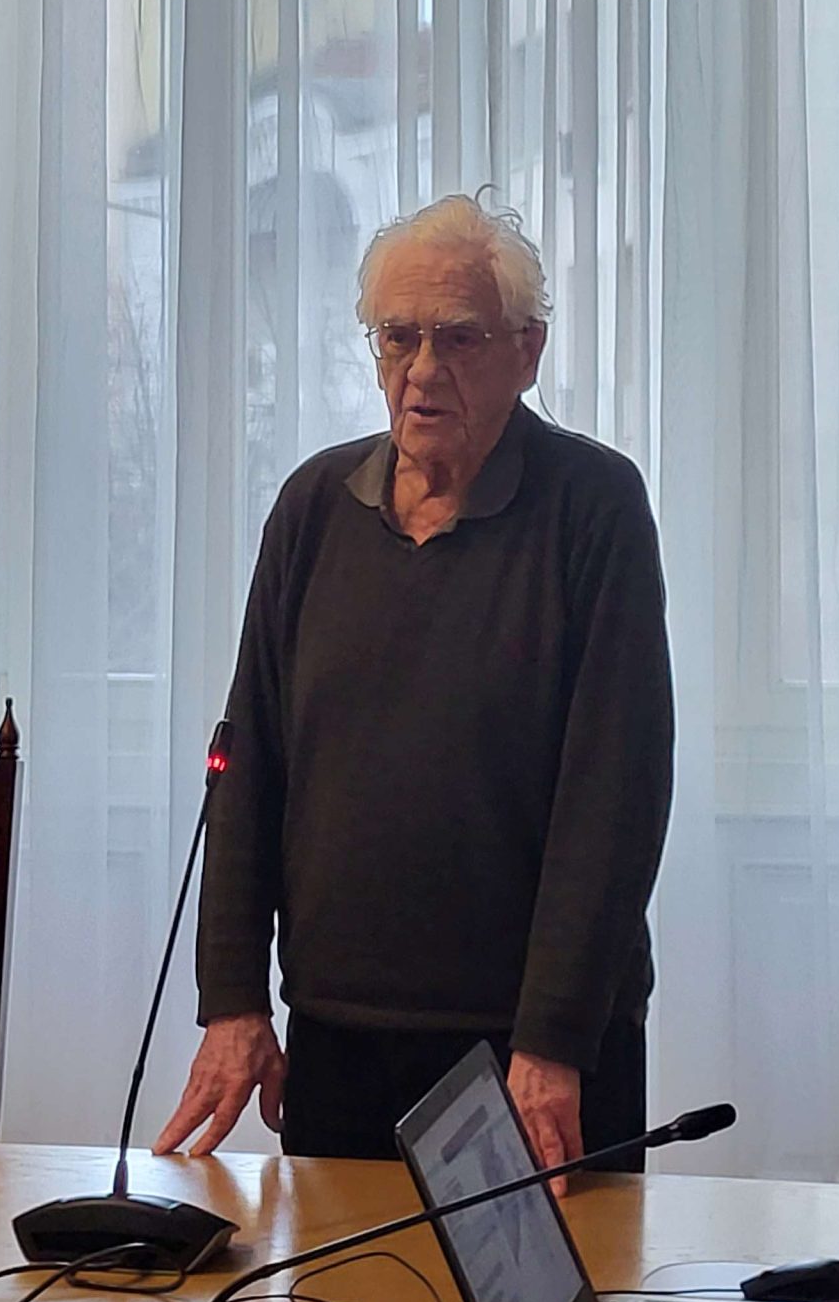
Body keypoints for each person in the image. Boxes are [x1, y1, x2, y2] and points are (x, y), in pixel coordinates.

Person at [156, 194, 675, 1175]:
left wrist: (553, 1041)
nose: (422, 369)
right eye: (397, 337)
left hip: (532, 1048)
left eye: (459, 338)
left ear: (527, 351)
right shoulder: (313, 505)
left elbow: (615, 796)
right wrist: (232, 1002)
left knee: (556, 1283)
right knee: (334, 1276)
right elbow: (248, 759)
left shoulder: (594, 507)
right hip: (339, 1028)